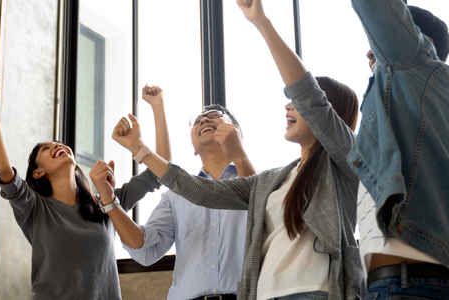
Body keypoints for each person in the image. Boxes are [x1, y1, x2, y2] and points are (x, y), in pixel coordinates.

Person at [110, 0, 364, 298]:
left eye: (297, 102)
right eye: (198, 119)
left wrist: (261, 22)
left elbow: (309, 96)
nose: (287, 104)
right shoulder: (276, 179)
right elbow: (197, 190)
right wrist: (139, 149)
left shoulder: (345, 160)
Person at [348, 1, 449, 299]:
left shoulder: (410, 58)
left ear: (421, 41)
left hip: (404, 284)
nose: (368, 52)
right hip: (440, 285)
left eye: (376, 41)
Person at [0, 78, 162, 300]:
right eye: (47, 148)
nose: (58, 145)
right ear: (38, 172)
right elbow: (3, 168)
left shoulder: (108, 203)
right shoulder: (34, 208)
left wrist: (157, 107)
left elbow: (162, 172)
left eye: (59, 144)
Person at [92, 84, 255, 300]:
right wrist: (109, 199)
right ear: (194, 149)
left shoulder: (265, 182)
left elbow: (256, 201)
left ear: (238, 135)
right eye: (197, 121)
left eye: (214, 116)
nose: (203, 120)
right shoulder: (176, 196)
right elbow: (145, 249)